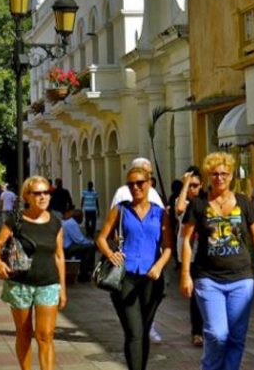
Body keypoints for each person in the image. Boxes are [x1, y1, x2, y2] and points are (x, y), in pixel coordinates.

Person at [180, 152, 254, 370]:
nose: (219, 177)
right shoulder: (198, 204)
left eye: (224, 173)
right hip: (208, 278)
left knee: (236, 336)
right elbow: (186, 240)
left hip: (241, 278)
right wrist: (185, 274)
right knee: (217, 333)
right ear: (208, 176)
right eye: (214, 173)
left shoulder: (244, 202)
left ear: (231, 175)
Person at [96, 166, 172, 369]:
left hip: (152, 278)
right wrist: (111, 254)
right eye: (131, 184)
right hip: (125, 276)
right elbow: (101, 238)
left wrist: (159, 265)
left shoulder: (160, 213)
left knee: (144, 331)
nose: (135, 187)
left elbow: (168, 247)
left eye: (140, 183)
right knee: (134, 332)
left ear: (149, 183)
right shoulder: (120, 209)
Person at [0, 176, 66, 370]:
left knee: (45, 335)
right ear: (27, 196)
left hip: (48, 284)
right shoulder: (16, 220)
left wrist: (62, 289)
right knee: (24, 334)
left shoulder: (56, 223)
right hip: (20, 284)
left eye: (46, 192)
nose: (42, 197)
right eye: (37, 193)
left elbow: (59, 256)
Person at [110, 158, 166, 344]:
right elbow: (114, 222)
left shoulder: (155, 198)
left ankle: (146, 329)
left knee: (145, 315)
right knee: (133, 327)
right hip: (128, 266)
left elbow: (163, 230)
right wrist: (115, 248)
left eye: (146, 175)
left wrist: (160, 263)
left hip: (151, 264)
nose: (137, 185)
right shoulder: (121, 194)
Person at [175, 166, 205, 347]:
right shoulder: (184, 203)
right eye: (190, 185)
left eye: (195, 185)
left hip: (204, 253)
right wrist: (185, 183)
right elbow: (179, 208)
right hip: (189, 255)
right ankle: (197, 331)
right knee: (195, 295)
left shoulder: (205, 203)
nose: (192, 189)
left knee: (203, 292)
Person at [62, 211, 96, 283]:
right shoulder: (72, 223)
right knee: (89, 248)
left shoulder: (70, 222)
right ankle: (84, 274)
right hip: (66, 247)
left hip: (65, 245)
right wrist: (92, 243)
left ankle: (85, 271)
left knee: (87, 247)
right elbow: (79, 240)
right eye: (81, 217)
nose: (82, 219)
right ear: (78, 217)